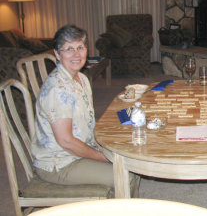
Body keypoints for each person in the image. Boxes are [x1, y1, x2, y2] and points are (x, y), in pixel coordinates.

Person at [31, 25, 139, 193]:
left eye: (80, 47)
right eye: (69, 49)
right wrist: (103, 157)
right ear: (57, 54)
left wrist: (101, 146)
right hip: (60, 163)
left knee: (130, 158)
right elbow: (66, 142)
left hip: (77, 152)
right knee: (126, 176)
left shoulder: (81, 78)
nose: (76, 54)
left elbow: (87, 123)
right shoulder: (58, 89)